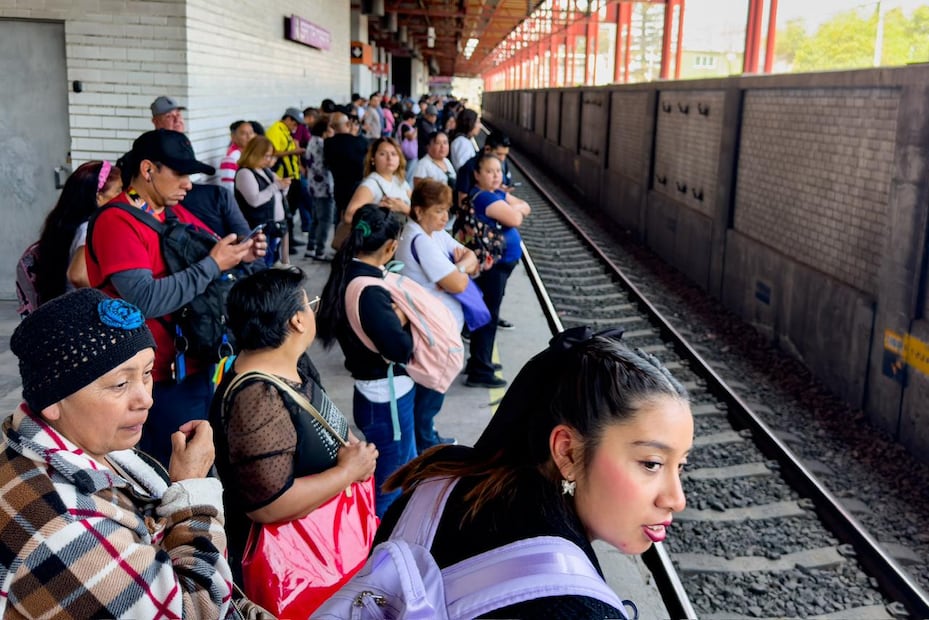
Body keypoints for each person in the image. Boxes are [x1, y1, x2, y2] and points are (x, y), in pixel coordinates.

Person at [375, 327, 693, 619]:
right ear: (567, 452)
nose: (676, 500)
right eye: (651, 463)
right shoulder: (578, 610)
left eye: (680, 466)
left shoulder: (440, 480)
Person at [1, 288, 233, 618]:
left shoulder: (82, 446)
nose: (146, 399)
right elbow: (194, 609)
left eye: (148, 373)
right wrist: (193, 491)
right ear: (53, 400)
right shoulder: (64, 527)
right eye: (120, 384)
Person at [87, 129, 266, 467]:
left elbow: (210, 250)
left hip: (191, 365)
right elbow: (144, 300)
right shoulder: (117, 221)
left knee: (198, 463)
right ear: (148, 170)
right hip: (152, 380)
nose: (188, 184)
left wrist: (244, 254)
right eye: (180, 173)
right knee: (170, 472)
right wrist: (214, 264)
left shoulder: (169, 212)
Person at [210, 266, 378, 585]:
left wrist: (353, 449)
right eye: (309, 304)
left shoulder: (293, 361)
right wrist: (347, 472)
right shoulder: (257, 399)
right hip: (293, 566)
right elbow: (269, 506)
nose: (311, 311)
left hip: (328, 539)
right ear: (296, 320)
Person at [316, 205, 416, 516]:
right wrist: (405, 318)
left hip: (373, 395)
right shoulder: (370, 291)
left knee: (398, 470)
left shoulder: (348, 271)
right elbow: (401, 349)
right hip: (387, 400)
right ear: (390, 246)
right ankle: (377, 551)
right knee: (389, 486)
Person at [395, 179, 479, 453]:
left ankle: (424, 435)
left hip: (439, 327)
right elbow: (458, 284)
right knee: (431, 386)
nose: (446, 217)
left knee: (429, 386)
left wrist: (460, 267)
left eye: (447, 210)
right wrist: (459, 272)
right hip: (431, 331)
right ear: (419, 211)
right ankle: (424, 441)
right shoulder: (419, 239)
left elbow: (471, 257)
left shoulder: (435, 234)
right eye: (439, 210)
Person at [464, 154, 531, 389]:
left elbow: (526, 206)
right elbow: (515, 217)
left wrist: (517, 209)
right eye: (490, 171)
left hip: (500, 266)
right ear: (477, 175)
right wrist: (516, 211)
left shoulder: (496, 195)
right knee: (488, 316)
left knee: (489, 313)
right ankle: (481, 369)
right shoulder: (483, 198)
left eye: (498, 171)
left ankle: (478, 361)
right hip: (492, 268)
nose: (495, 175)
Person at [32, 160, 122, 304]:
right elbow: (77, 275)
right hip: (82, 309)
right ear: (98, 196)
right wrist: (107, 302)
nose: (123, 197)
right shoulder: (90, 228)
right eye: (118, 191)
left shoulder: (68, 223)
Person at [234, 135, 292, 264]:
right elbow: (254, 200)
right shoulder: (245, 173)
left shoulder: (264, 170)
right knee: (263, 263)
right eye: (266, 156)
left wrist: (283, 187)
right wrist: (276, 186)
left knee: (272, 260)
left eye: (270, 156)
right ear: (255, 154)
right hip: (259, 227)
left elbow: (277, 193)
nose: (269, 160)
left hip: (274, 226)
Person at [344, 137, 411, 225]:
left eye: (394, 154)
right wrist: (377, 210)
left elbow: (417, 210)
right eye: (383, 154)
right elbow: (349, 217)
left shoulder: (401, 182)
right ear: (373, 159)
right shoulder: (371, 184)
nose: (389, 158)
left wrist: (404, 208)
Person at [324, 111, 369, 219]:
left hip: (339, 185)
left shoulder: (328, 143)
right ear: (348, 124)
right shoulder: (361, 141)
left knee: (340, 214)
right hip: (358, 185)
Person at [305, 117, 336, 260]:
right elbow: (323, 165)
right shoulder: (322, 144)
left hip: (314, 186)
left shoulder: (312, 141)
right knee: (325, 219)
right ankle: (320, 251)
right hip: (324, 187)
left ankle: (311, 248)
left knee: (316, 218)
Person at [217, 120, 256, 193]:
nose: (249, 136)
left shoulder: (250, 154)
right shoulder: (231, 158)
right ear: (233, 137)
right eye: (243, 133)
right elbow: (229, 187)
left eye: (251, 132)